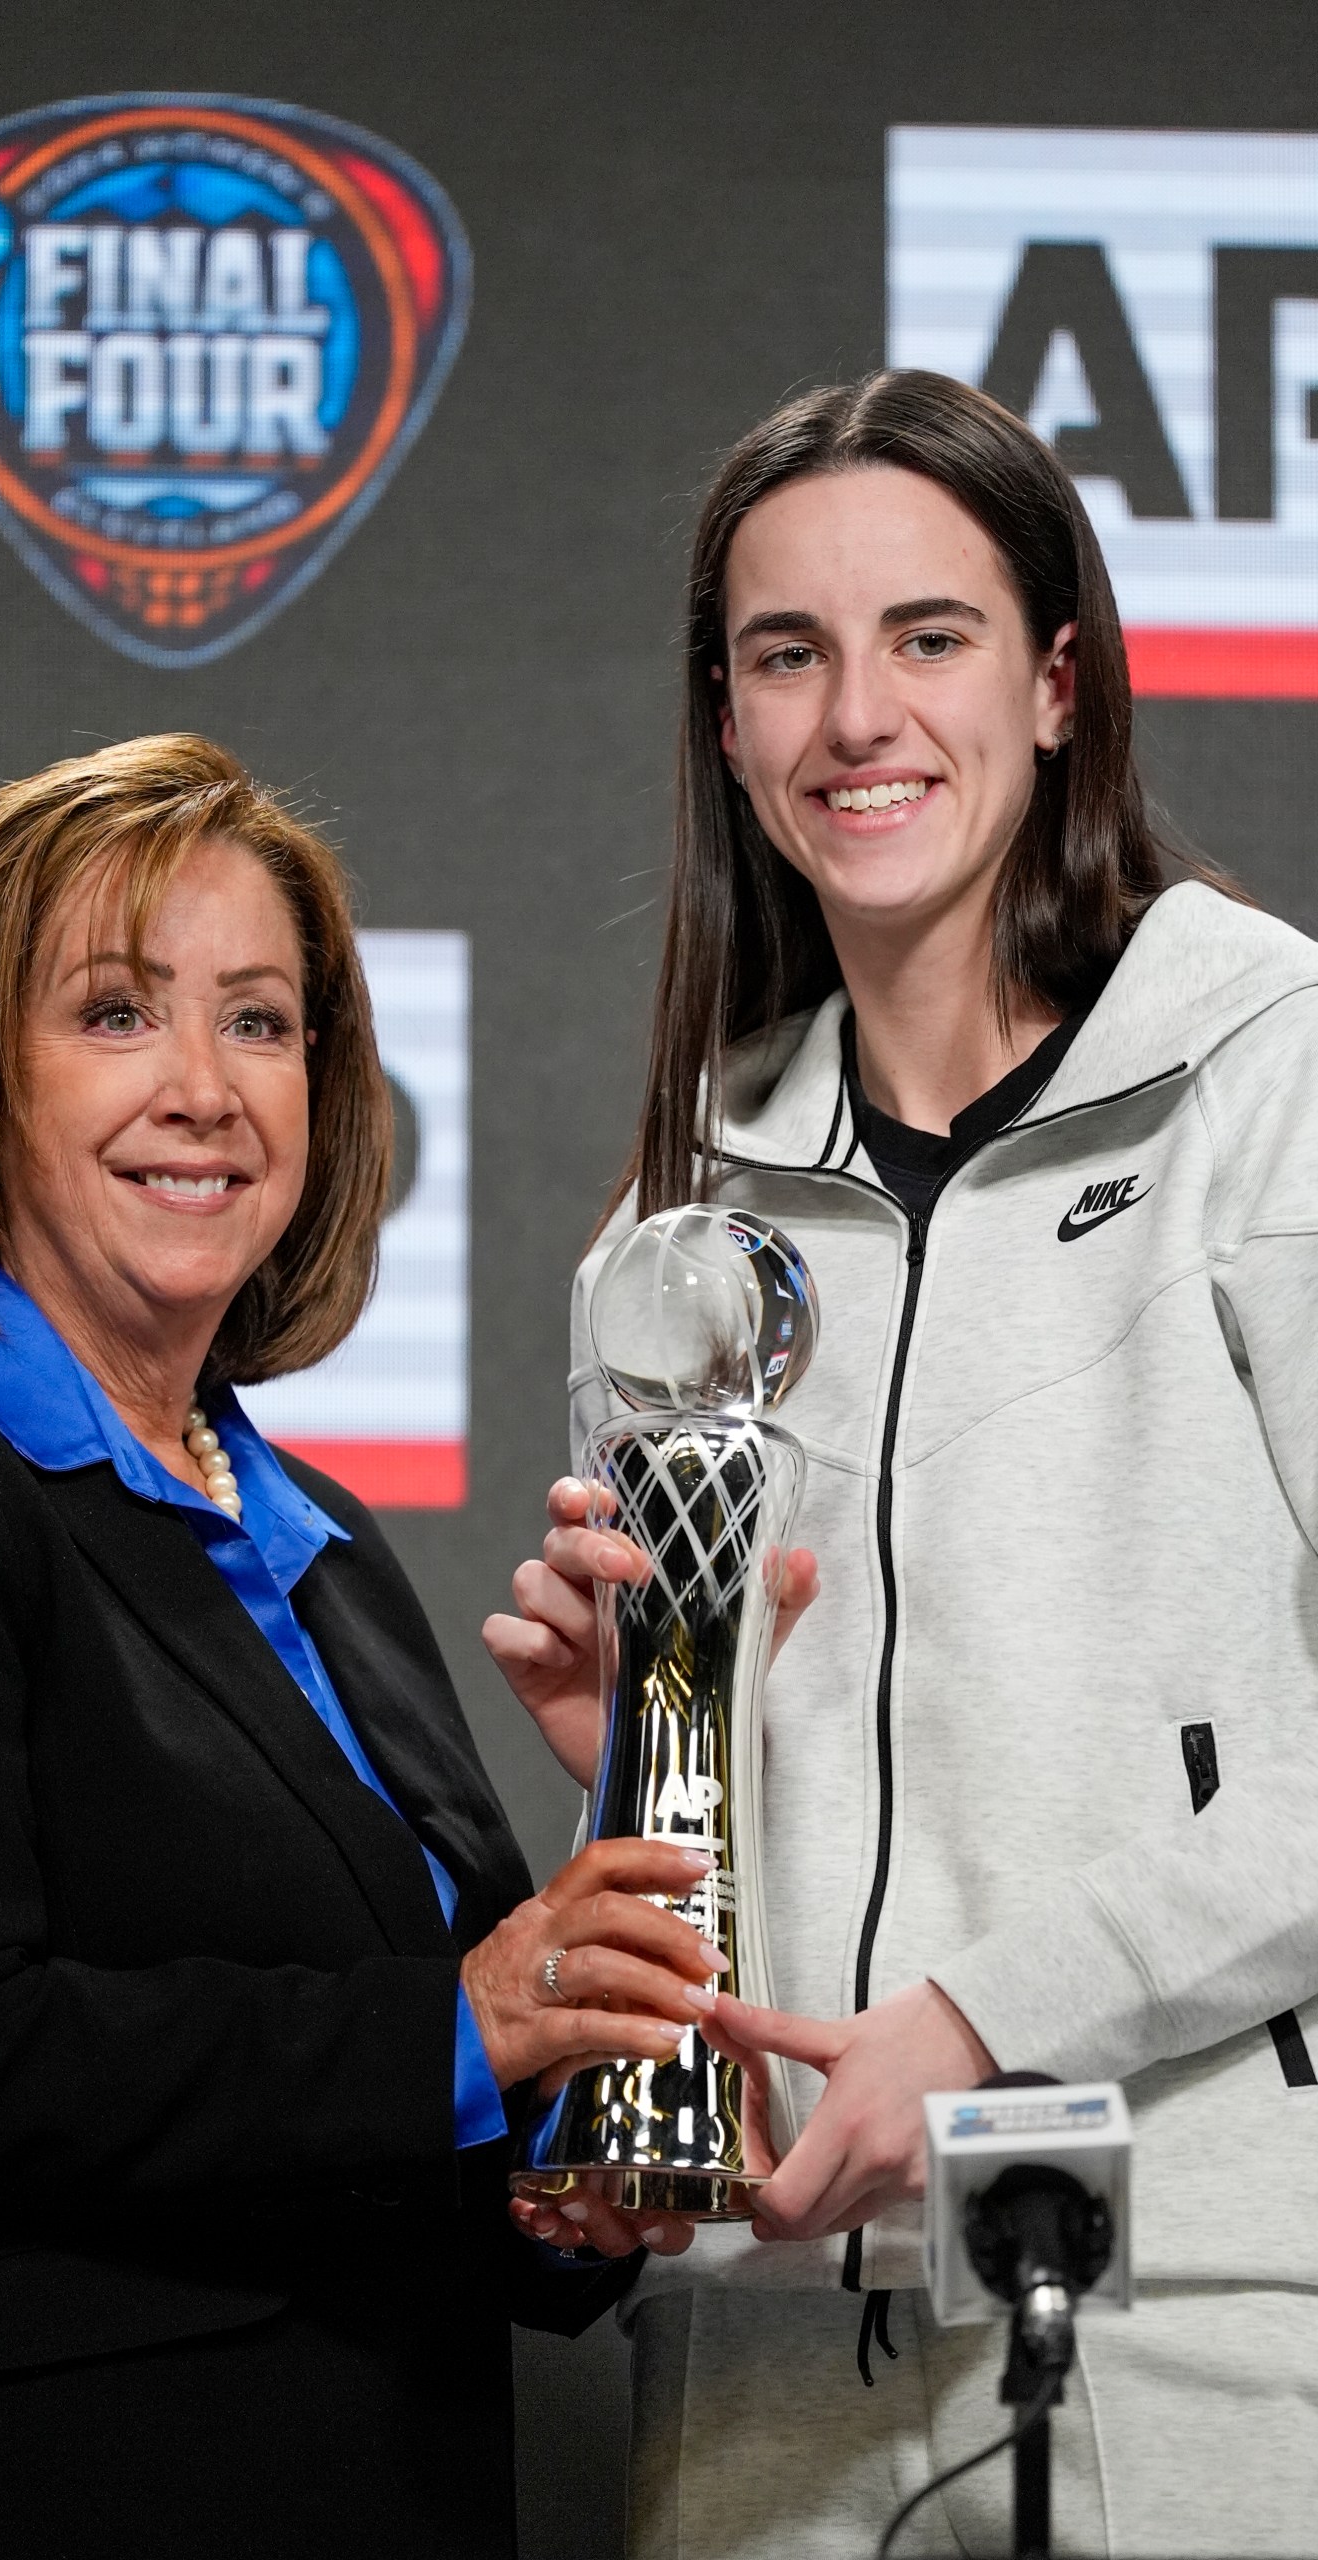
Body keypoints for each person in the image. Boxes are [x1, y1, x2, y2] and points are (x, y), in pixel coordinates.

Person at [485, 371, 1318, 2558]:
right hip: (758, 2316)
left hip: (1186, 2298)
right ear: (733, 726)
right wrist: (652, 1753)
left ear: (1058, 683)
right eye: (788, 653)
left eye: (930, 636)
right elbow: (739, 1780)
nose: (859, 714)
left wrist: (982, 2016)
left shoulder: (1280, 1078)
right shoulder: (680, 1213)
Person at [0, 734, 708, 2560]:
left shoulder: (318, 1546)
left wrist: (559, 2166)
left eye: (261, 1023)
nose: (205, 1089)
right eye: (116, 1012)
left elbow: (406, 2103)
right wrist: (465, 2025)